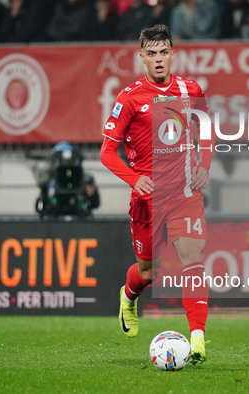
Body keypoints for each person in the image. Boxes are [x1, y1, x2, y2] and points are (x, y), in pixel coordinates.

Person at [100, 24, 213, 364]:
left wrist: (204, 164)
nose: (159, 59)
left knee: (192, 257)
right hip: (148, 201)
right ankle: (128, 296)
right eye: (152, 53)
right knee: (149, 272)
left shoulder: (190, 89)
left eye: (164, 52)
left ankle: (197, 340)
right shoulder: (130, 97)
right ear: (142, 58)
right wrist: (134, 178)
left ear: (173, 54)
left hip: (184, 194)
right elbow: (106, 153)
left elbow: (205, 132)